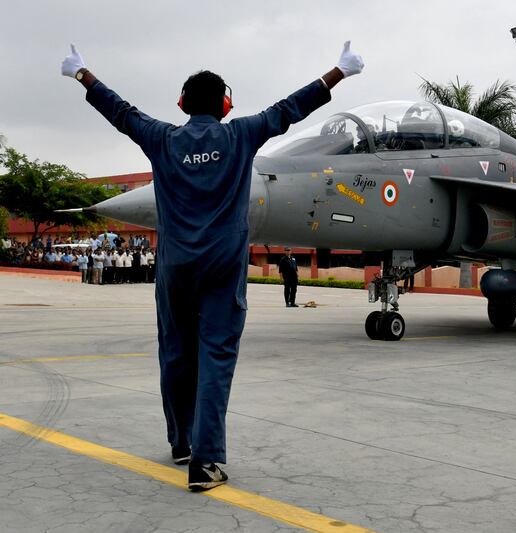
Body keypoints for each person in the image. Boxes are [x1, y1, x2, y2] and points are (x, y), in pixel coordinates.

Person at [63, 40, 363, 491]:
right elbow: (290, 108)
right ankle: (205, 463)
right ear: (225, 105)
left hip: (175, 266)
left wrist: (82, 74)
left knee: (176, 352)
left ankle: (181, 442)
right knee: (216, 356)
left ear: (182, 104)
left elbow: (120, 111)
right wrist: (337, 72)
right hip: (223, 265)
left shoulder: (162, 137)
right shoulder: (241, 134)